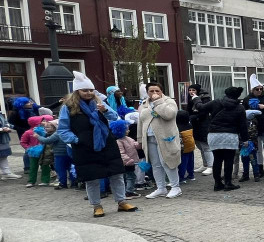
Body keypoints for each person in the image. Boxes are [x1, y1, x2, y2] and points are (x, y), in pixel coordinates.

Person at [56, 71, 137, 218]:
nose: (88, 93)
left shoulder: (99, 102)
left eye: (90, 90)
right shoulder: (68, 107)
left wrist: (105, 110)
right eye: (85, 90)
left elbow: (115, 117)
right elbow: (62, 130)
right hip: (85, 147)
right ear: (77, 91)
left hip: (107, 143)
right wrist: (77, 140)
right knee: (92, 177)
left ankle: (121, 201)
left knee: (116, 174)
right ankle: (96, 205)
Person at [136, 83, 182, 199]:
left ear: (162, 91)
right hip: (150, 138)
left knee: (167, 162)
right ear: (147, 92)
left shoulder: (169, 101)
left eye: (157, 90)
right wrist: (140, 139)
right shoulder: (144, 104)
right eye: (151, 91)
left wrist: (158, 102)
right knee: (156, 164)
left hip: (166, 138)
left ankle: (175, 187)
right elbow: (141, 122)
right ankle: (161, 188)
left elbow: (169, 115)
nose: (154, 93)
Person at [203, 86, 248, 191]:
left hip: (214, 134)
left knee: (217, 160)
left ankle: (217, 183)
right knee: (229, 160)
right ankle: (228, 183)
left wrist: (196, 99)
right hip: (230, 135)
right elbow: (243, 125)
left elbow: (201, 107)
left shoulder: (216, 102)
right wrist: (245, 139)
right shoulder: (240, 108)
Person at [187, 84, 214, 175]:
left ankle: (211, 166)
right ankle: (205, 164)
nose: (191, 92)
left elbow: (204, 112)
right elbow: (189, 110)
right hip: (195, 125)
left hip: (204, 125)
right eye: (190, 90)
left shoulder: (204, 99)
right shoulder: (190, 99)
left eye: (193, 90)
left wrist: (194, 117)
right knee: (199, 145)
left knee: (206, 146)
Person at [20, 116, 50, 187]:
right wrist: (29, 149)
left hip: (44, 152)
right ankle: (31, 181)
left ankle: (45, 180)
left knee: (45, 166)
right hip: (33, 153)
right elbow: (23, 142)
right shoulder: (28, 132)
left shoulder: (45, 131)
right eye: (42, 121)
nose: (44, 122)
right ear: (36, 123)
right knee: (33, 167)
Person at [176, 109, 196, 183]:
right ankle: (191, 175)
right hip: (191, 145)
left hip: (183, 148)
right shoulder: (189, 125)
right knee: (190, 161)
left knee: (182, 163)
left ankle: (181, 177)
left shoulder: (177, 127)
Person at [0, 109, 18, 180]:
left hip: (3, 139)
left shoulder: (0, 114)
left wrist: (8, 127)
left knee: (3, 156)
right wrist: (2, 129)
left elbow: (6, 122)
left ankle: (6, 173)